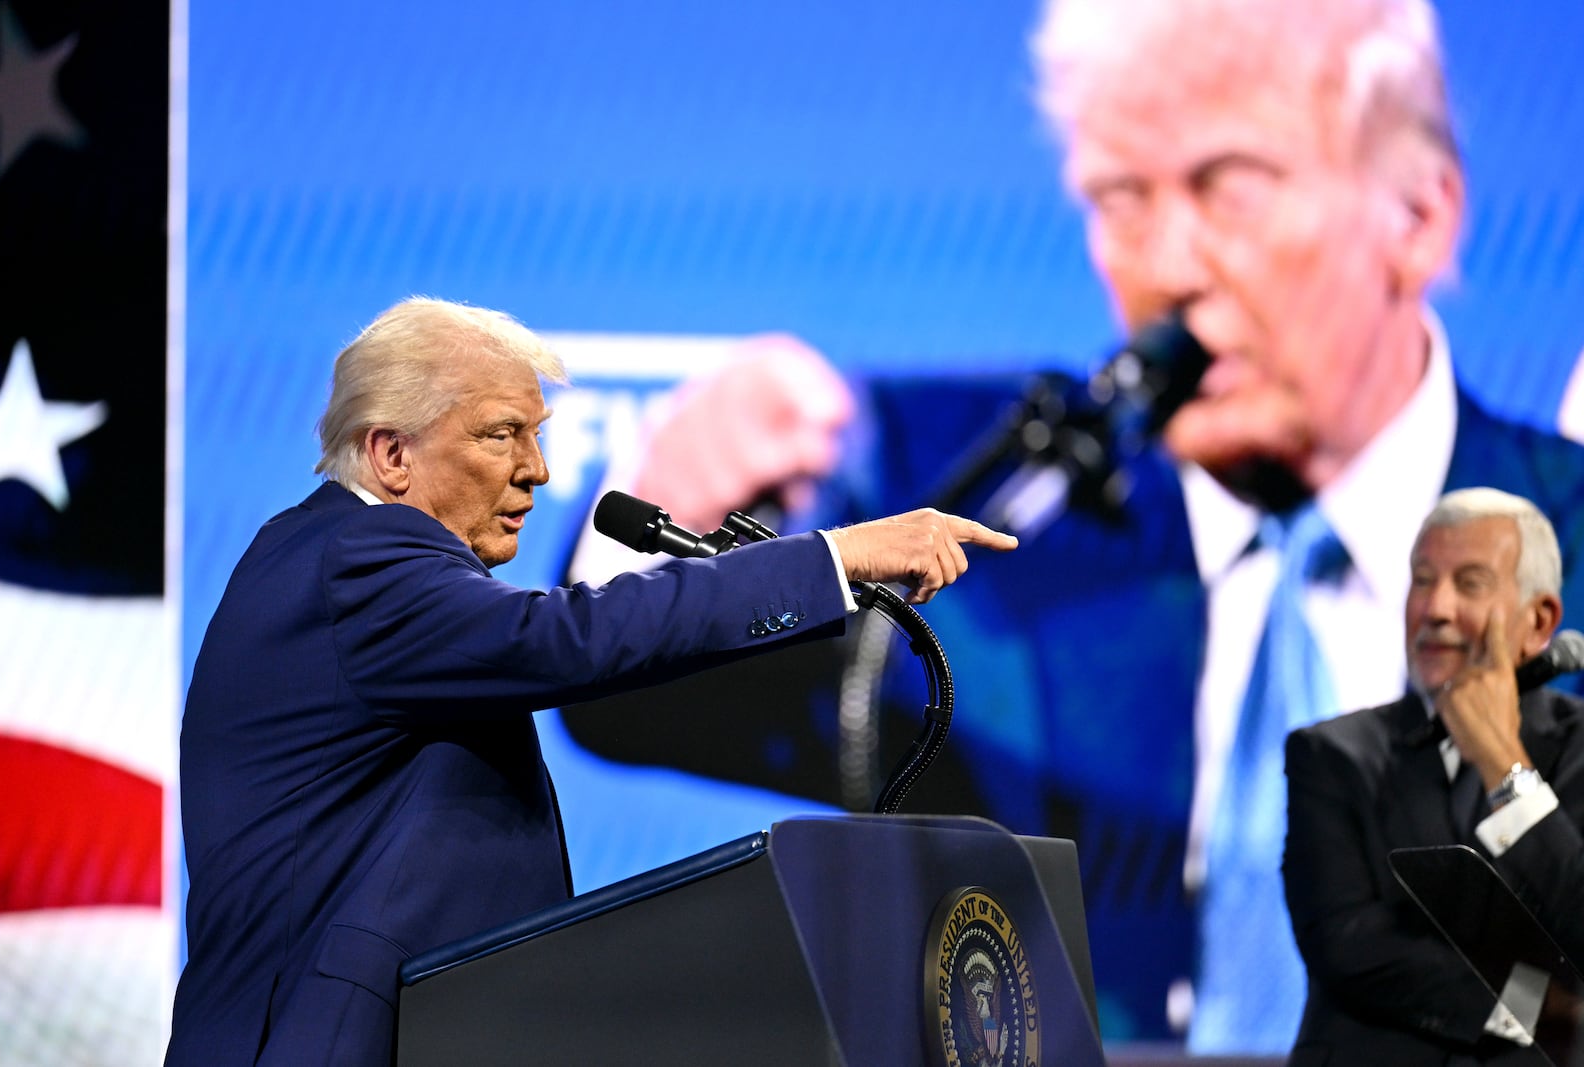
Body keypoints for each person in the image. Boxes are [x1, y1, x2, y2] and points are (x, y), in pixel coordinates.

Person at [557, 0, 1584, 1046]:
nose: (1170, 269)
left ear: (1419, 214)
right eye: (1121, 200)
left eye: (1229, 187)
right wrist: (676, 496)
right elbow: (634, 703)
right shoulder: (983, 505)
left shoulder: (1570, 533)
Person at [162, 297, 1016, 1067]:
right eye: (500, 434)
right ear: (390, 454)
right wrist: (832, 557)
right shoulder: (357, 559)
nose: (534, 468)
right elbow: (563, 640)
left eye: (537, 435)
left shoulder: (344, 573)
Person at [1284, 488, 1584, 1063]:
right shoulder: (1332, 754)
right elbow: (1349, 943)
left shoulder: (1579, 750)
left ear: (1539, 620)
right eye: (1422, 580)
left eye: (1469, 583)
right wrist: (1536, 1002)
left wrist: (1503, 765)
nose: (1435, 608)